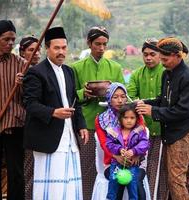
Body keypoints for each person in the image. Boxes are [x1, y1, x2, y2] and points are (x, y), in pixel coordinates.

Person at [23, 26, 89, 200]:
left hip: (69, 138)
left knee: (70, 186)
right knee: (50, 188)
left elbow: (75, 101)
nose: (61, 52)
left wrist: (81, 125)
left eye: (64, 47)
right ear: (47, 48)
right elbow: (30, 104)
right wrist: (53, 112)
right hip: (49, 138)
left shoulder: (68, 71)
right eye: (57, 48)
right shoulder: (36, 73)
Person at [136, 37, 189, 200]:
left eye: (165, 59)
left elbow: (182, 111)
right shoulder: (167, 74)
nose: (162, 62)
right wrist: (144, 103)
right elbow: (163, 101)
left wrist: (154, 112)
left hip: (182, 131)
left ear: (178, 56)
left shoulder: (188, 77)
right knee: (172, 177)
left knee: (176, 178)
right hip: (170, 130)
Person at [71, 26, 125, 199]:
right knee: (86, 166)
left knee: (109, 166)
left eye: (104, 44)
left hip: (111, 126)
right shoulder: (76, 68)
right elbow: (70, 95)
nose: (101, 48)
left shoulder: (115, 67)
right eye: (97, 44)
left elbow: (122, 94)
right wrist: (82, 93)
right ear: (89, 43)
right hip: (86, 124)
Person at [93, 82, 150, 200]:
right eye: (115, 97)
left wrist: (136, 155)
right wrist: (117, 156)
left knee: (136, 181)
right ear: (109, 98)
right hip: (112, 162)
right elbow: (105, 144)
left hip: (136, 162)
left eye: (123, 96)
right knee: (118, 180)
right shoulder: (101, 120)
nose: (120, 100)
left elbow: (143, 141)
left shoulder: (135, 116)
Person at [126, 38, 166, 199]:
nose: (148, 58)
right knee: (140, 169)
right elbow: (130, 97)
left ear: (159, 55)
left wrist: (148, 104)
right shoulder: (136, 74)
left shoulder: (165, 73)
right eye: (145, 54)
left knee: (158, 170)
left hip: (161, 130)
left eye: (152, 54)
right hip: (140, 132)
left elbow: (164, 99)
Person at [0, 19, 25, 200]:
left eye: (13, 40)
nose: (10, 43)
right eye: (5, 39)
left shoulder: (22, 64)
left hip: (14, 124)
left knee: (16, 171)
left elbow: (30, 97)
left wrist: (22, 84)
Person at [106, 103, 150, 200]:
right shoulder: (114, 131)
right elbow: (109, 144)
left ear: (136, 119)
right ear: (120, 118)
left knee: (133, 186)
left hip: (132, 164)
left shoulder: (139, 131)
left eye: (132, 118)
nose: (129, 120)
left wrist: (134, 151)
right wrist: (119, 149)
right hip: (116, 164)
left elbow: (145, 144)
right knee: (113, 184)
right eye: (126, 117)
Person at [19, 35, 41, 200]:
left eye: (39, 49)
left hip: (40, 126)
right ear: (22, 52)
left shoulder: (44, 71)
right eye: (32, 50)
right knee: (25, 168)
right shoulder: (19, 71)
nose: (37, 53)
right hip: (22, 125)